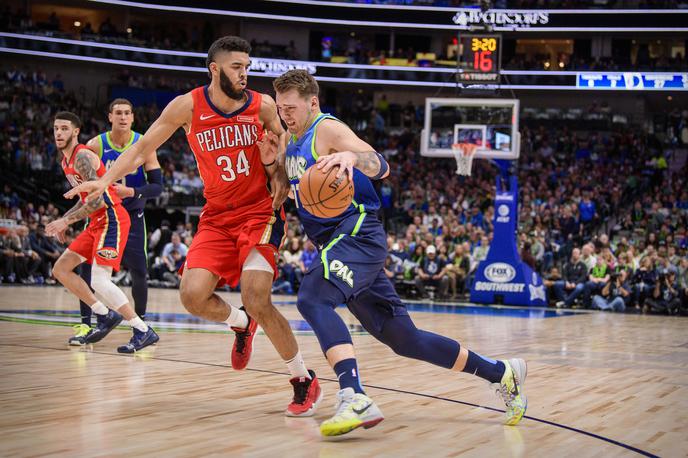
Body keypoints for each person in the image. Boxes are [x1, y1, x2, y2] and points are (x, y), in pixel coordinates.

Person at [65, 36, 321, 416]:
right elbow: (140, 148)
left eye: (248, 67)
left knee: (256, 296)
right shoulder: (187, 106)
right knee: (192, 296)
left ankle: (303, 379)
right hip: (217, 215)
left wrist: (277, 167)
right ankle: (240, 324)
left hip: (258, 210)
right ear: (215, 69)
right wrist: (104, 181)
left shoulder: (263, 106)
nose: (245, 74)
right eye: (237, 67)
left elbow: (289, 146)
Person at [269, 69, 527, 437]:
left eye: (291, 107)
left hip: (358, 233)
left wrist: (352, 157)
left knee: (312, 298)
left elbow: (380, 165)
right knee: (404, 339)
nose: (285, 115)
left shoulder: (327, 129)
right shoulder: (290, 138)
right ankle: (502, 373)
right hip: (339, 245)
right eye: (280, 108)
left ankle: (354, 396)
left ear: (313, 102)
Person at [47, 111, 158, 352]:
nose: (59, 133)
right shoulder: (65, 161)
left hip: (111, 218)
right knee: (61, 269)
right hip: (96, 222)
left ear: (76, 132)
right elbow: (87, 197)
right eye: (56, 128)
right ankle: (104, 314)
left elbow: (98, 200)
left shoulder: (82, 157)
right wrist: (64, 219)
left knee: (99, 279)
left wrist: (66, 223)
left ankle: (142, 329)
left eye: (64, 128)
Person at [71, 98, 163, 345]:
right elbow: (80, 180)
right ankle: (86, 324)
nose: (123, 117)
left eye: (127, 113)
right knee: (86, 269)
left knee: (139, 271)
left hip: (132, 216)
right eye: (118, 113)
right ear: (109, 117)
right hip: (102, 215)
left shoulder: (144, 145)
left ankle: (140, 326)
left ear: (133, 117)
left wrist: (131, 193)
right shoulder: (95, 145)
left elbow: (158, 187)